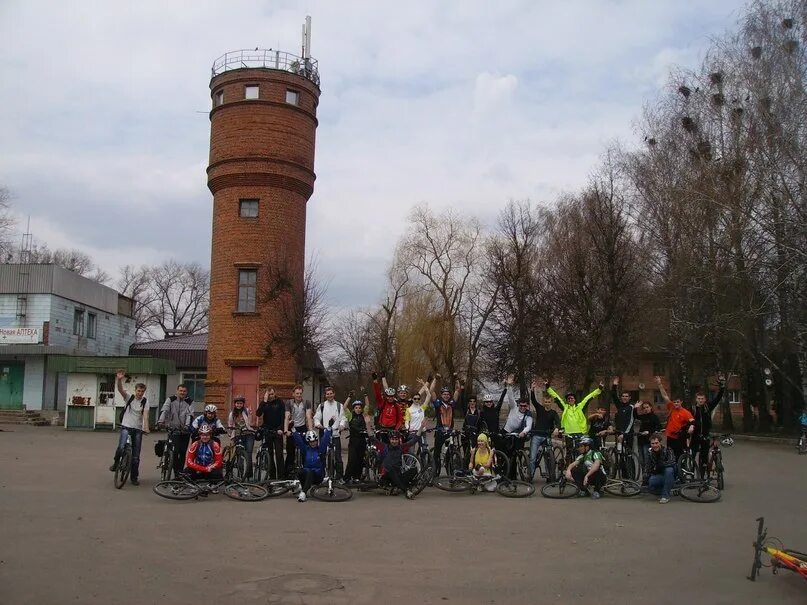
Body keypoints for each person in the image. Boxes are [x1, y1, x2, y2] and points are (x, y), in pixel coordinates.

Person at [110, 369, 150, 486]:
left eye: (142, 391)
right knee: (121, 447)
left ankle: (134, 477)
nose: (140, 393)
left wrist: (146, 428)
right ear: (135, 390)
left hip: (137, 430)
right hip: (126, 427)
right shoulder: (129, 398)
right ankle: (116, 463)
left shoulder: (145, 402)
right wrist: (119, 379)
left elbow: (146, 416)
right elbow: (120, 390)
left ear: (144, 392)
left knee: (136, 456)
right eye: (138, 391)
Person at [546, 379, 603, 450]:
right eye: (568, 399)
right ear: (567, 401)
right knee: (570, 452)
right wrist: (548, 388)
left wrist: (599, 389)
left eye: (572, 398)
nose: (570, 399)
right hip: (568, 434)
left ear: (575, 399)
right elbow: (557, 397)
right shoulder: (565, 407)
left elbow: (588, 397)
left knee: (581, 451)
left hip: (579, 433)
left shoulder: (580, 406)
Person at [690, 375, 726, 478]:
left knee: (703, 457)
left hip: (705, 435)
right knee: (692, 456)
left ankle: (702, 477)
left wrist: (722, 387)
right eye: (699, 399)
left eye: (702, 399)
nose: (700, 400)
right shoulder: (692, 408)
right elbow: (687, 420)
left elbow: (718, 398)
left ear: (705, 399)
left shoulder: (708, 407)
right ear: (696, 399)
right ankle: (691, 476)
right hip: (695, 436)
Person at [157, 383, 194, 478]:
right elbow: (164, 410)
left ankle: (179, 474)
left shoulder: (189, 401)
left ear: (186, 392)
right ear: (177, 391)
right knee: (175, 452)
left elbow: (190, 415)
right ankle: (175, 471)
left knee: (182, 453)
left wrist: (187, 426)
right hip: (173, 429)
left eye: (184, 391)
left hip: (185, 431)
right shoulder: (170, 399)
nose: (182, 392)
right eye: (180, 390)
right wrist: (161, 422)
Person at [373, 429, 421, 499]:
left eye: (396, 439)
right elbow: (372, 439)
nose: (394, 441)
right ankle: (406, 491)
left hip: (397, 475)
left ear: (399, 440)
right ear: (389, 439)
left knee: (414, 469)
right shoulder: (384, 447)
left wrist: (422, 426)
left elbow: (414, 440)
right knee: (390, 468)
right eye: (392, 439)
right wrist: (367, 423)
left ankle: (396, 486)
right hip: (386, 476)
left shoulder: (401, 448)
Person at [655, 376, 694, 461]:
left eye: (677, 402)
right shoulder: (671, 407)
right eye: (674, 402)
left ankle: (680, 471)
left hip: (679, 438)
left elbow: (692, 421)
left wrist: (691, 427)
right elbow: (665, 396)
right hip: (670, 437)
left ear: (681, 402)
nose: (676, 403)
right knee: (670, 456)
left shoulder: (685, 412)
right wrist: (659, 384)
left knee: (679, 457)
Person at [501, 375, 533, 478]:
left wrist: (524, 432)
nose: (523, 407)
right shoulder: (514, 407)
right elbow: (510, 396)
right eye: (521, 405)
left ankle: (513, 475)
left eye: (525, 406)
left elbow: (529, 425)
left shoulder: (528, 414)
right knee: (504, 454)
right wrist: (509, 385)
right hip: (506, 431)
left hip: (517, 434)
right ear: (518, 405)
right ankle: (503, 472)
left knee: (515, 455)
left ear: (527, 406)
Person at [528, 380, 561, 481]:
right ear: (543, 402)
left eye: (549, 402)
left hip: (547, 436)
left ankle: (549, 476)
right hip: (537, 436)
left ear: (551, 402)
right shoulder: (540, 409)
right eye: (545, 402)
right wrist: (532, 390)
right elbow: (533, 400)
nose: (547, 403)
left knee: (549, 458)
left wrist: (557, 429)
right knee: (533, 458)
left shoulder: (553, 413)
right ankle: (530, 475)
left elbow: (558, 422)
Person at [313, 386, 347, 480]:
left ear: (334, 394)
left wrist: (342, 425)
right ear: (325, 395)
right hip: (324, 434)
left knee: (337, 457)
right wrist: (318, 424)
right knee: (322, 455)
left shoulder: (339, 405)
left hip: (335, 434)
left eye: (331, 393)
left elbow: (343, 418)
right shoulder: (322, 406)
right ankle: (323, 475)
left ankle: (339, 477)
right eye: (327, 394)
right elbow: (316, 417)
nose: (329, 395)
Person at [430, 373, 460, 476]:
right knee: (436, 454)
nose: (446, 395)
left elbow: (457, 390)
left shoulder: (452, 403)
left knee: (449, 455)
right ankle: (435, 473)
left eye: (448, 394)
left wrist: (456, 379)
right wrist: (435, 379)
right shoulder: (438, 403)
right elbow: (431, 391)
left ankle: (450, 474)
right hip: (439, 431)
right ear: (441, 395)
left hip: (450, 432)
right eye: (444, 394)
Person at [255, 387, 289, 479]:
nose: (271, 396)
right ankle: (272, 476)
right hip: (268, 431)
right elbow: (258, 414)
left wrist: (281, 429)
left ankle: (281, 476)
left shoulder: (280, 402)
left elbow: (283, 417)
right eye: (269, 394)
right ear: (266, 394)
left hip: (278, 431)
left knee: (279, 454)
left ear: (275, 393)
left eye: (272, 394)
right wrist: (264, 401)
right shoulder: (265, 403)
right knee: (269, 454)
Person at [292, 428, 332, 502]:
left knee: (310, 472)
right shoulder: (306, 449)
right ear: (308, 442)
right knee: (300, 471)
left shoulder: (320, 450)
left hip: (318, 475)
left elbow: (325, 440)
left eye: (314, 441)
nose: (313, 443)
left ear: (317, 440)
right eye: (311, 442)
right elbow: (299, 442)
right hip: (308, 474)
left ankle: (303, 493)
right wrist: (293, 430)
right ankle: (303, 488)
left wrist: (329, 428)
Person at [284, 384, 313, 478]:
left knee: (305, 451)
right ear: (293, 394)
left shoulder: (306, 402)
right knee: (290, 452)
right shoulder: (289, 403)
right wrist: (285, 430)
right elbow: (287, 417)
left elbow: (308, 417)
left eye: (300, 393)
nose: (299, 395)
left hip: (302, 427)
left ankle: (306, 473)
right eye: (297, 393)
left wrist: (311, 431)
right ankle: (288, 473)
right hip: (292, 427)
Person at [227, 395, 255, 479]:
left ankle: (249, 476)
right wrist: (230, 434)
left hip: (248, 434)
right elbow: (230, 424)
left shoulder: (246, 411)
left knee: (248, 454)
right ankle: (240, 474)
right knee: (239, 454)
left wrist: (250, 415)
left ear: (243, 404)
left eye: (240, 403)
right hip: (238, 435)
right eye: (237, 403)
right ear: (235, 404)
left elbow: (250, 424)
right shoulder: (232, 413)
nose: (239, 405)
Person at [643, 434, 676, 504]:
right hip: (659, 476)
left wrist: (662, 465)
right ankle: (668, 489)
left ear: (660, 443)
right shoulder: (650, 453)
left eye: (656, 443)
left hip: (670, 475)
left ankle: (665, 496)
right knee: (651, 483)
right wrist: (645, 480)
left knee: (669, 470)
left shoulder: (668, 450)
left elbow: (672, 462)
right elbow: (647, 467)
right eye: (652, 443)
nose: (655, 445)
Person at [371, 372, 404, 439]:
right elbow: (377, 394)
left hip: (392, 429)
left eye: (391, 396)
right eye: (388, 396)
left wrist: (396, 429)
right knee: (381, 446)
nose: (390, 398)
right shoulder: (382, 403)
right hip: (382, 427)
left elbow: (400, 419)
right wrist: (375, 381)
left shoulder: (396, 406)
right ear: (386, 396)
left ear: (393, 396)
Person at [344, 398, 370, 483]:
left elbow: (367, 405)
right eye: (356, 408)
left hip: (362, 440)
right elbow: (344, 407)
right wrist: (349, 397)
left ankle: (356, 477)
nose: (358, 409)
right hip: (353, 440)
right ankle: (347, 477)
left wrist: (365, 396)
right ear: (353, 409)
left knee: (359, 460)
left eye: (359, 408)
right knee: (352, 459)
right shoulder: (350, 415)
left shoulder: (364, 415)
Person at [610, 377, 637, 452]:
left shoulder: (631, 407)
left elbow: (631, 421)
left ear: (629, 398)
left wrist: (624, 434)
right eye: (623, 396)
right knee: (619, 452)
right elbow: (614, 395)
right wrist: (614, 385)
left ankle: (630, 463)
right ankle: (620, 462)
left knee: (629, 453)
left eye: (626, 396)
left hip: (628, 434)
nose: (624, 398)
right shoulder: (619, 405)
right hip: (619, 432)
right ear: (621, 397)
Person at [634, 401, 661, 470]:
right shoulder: (643, 416)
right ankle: (644, 475)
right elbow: (635, 416)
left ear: (650, 407)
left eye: (647, 407)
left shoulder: (654, 417)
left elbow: (658, 427)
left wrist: (649, 432)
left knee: (646, 459)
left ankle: (648, 474)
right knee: (641, 460)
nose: (646, 409)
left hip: (648, 440)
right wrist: (635, 408)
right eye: (644, 408)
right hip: (640, 439)